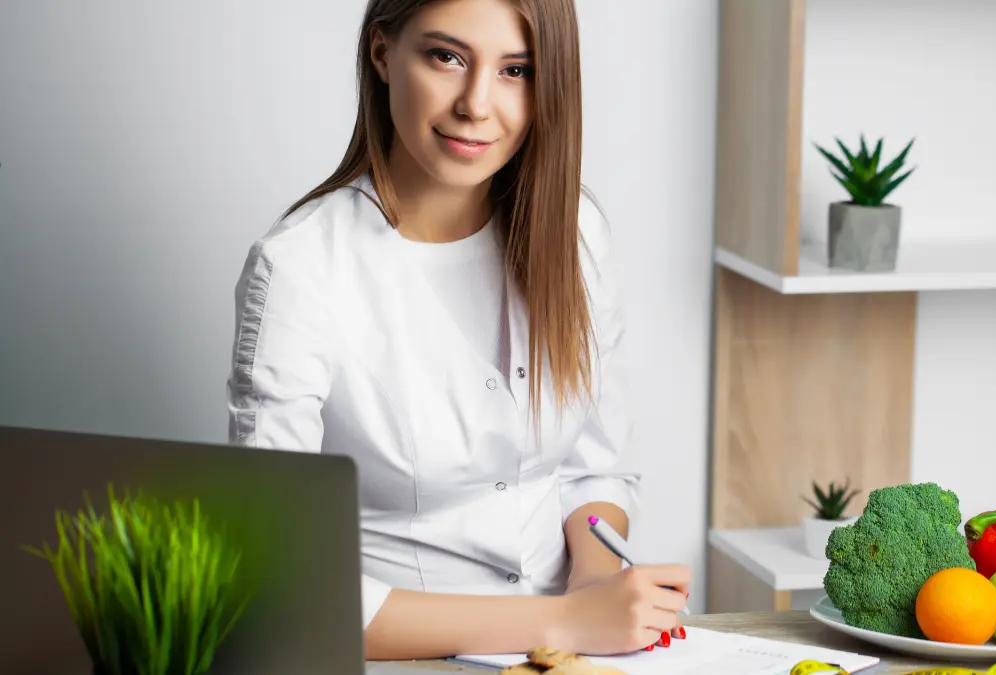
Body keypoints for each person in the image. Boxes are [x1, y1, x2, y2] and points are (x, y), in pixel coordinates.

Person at [223, 0, 690, 662]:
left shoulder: (576, 233)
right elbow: (287, 580)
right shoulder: (298, 270)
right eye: (446, 57)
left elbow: (594, 471)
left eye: (516, 70)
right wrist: (566, 619)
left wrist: (593, 578)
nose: (477, 104)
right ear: (383, 53)